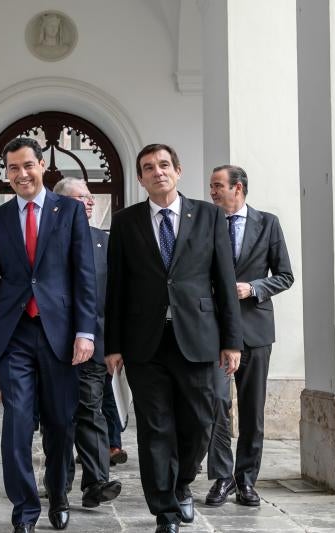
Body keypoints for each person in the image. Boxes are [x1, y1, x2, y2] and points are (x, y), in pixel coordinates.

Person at [105, 144, 242, 533]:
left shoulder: (209, 216)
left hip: (198, 338)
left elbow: (224, 282)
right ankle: (164, 508)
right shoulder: (126, 221)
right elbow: (116, 288)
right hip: (144, 342)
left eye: (164, 165)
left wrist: (232, 341)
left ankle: (182, 482)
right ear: (140, 178)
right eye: (148, 167)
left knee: (199, 422)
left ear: (178, 171)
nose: (157, 172)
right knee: (155, 427)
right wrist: (112, 344)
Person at [0, 137, 97, 533]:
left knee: (61, 422)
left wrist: (85, 331)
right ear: (7, 174)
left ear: (42, 165)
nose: (21, 174)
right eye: (12, 168)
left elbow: (84, 275)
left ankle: (59, 493)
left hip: (60, 334)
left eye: (27, 165)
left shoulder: (70, 212)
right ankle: (24, 510)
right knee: (17, 421)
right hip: (14, 336)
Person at [204, 165, 294, 507]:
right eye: (212, 186)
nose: (212, 191)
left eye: (217, 186)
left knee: (253, 410)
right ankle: (221, 478)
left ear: (237, 188)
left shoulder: (268, 223)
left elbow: (285, 276)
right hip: (212, 330)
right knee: (217, 403)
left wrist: (254, 287)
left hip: (255, 330)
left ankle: (246, 481)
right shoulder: (206, 222)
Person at [49, 177, 121, 507]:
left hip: (93, 346)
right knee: (59, 417)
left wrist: (114, 346)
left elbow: (114, 299)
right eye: (81, 197)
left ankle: (96, 483)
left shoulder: (104, 243)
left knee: (91, 410)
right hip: (51, 347)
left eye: (90, 197)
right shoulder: (45, 241)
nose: (90, 202)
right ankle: (59, 484)